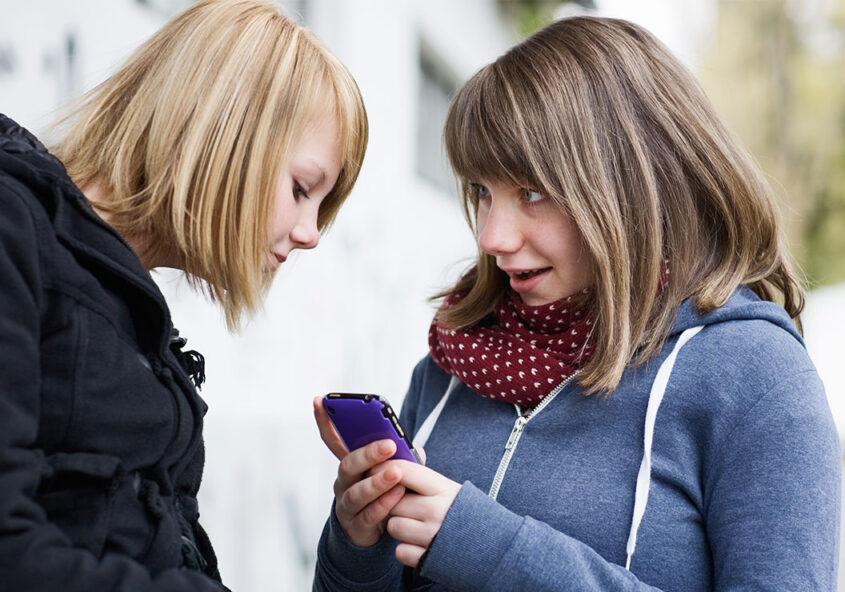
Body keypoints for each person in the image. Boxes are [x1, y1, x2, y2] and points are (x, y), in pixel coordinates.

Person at [313, 15, 840, 592]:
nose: (491, 237)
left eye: (532, 192)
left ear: (634, 186)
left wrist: (491, 549)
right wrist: (357, 549)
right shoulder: (453, 363)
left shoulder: (755, 377)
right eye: (482, 191)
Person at [0, 0, 367, 589]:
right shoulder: (15, 227)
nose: (310, 234)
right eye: (302, 189)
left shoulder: (141, 319)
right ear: (222, 132)